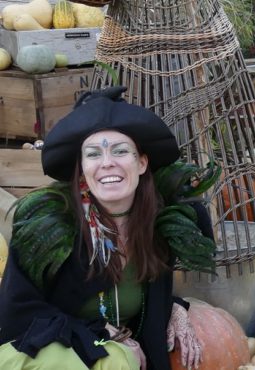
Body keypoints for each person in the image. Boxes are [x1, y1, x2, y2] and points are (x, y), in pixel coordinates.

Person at [0, 87, 217, 370]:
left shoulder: (159, 226)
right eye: (93, 154)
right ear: (82, 168)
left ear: (141, 163)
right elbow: (17, 314)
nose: (107, 163)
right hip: (43, 354)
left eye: (120, 151)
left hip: (117, 356)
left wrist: (174, 306)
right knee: (118, 361)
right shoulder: (50, 227)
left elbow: (137, 298)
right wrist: (97, 330)